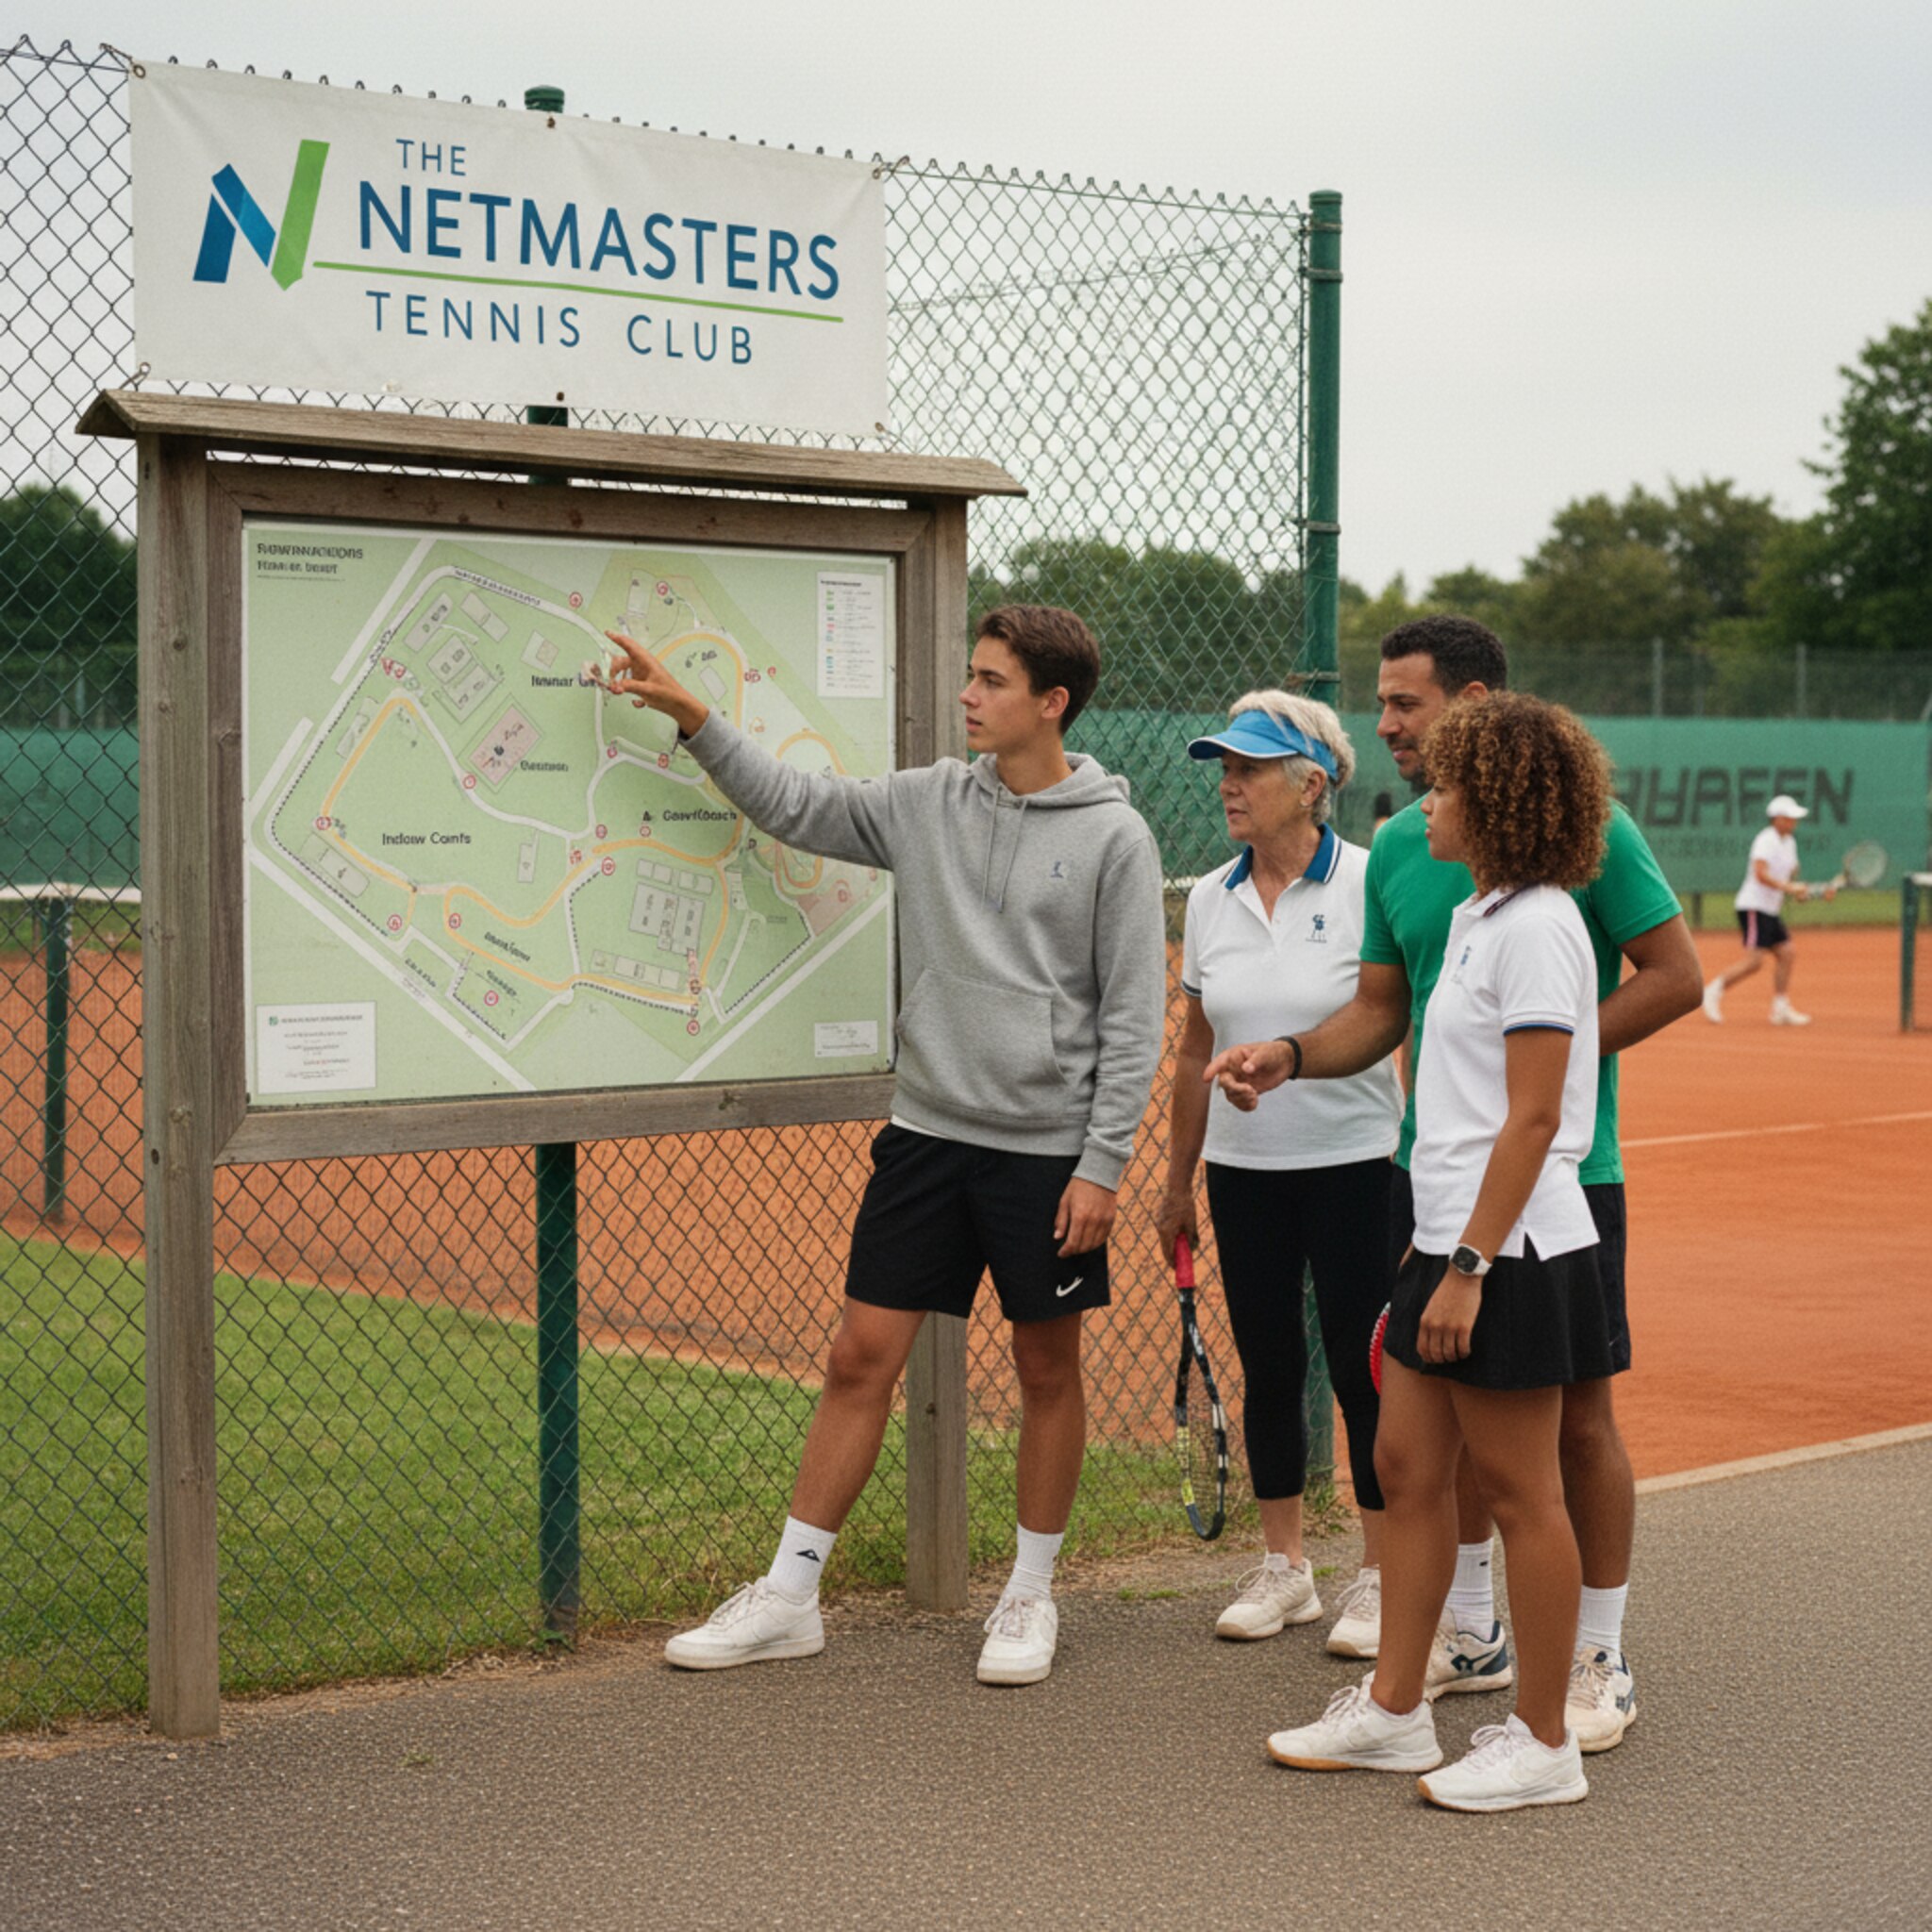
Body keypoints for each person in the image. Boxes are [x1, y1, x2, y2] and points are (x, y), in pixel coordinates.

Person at [598, 605, 1166, 1687]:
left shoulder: (1113, 837)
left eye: (990, 680)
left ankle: (1029, 1593)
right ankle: (790, 1593)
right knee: (860, 1356)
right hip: (926, 1137)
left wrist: (1101, 1166)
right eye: (971, 676)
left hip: (1048, 1154)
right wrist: (695, 719)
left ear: (1050, 702)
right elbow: (794, 804)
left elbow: (1135, 1014)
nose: (967, 695)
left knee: (1047, 1366)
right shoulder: (925, 801)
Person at [1206, 615, 1701, 1756]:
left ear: (1473, 703)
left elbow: (1670, 977)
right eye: (1377, 704)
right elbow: (1383, 1009)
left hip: (1553, 1190)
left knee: (1571, 1430)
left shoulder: (1581, 841)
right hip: (1428, 1184)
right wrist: (1288, 1052)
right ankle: (1464, 1636)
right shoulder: (1410, 854)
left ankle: (1591, 1655)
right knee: (1421, 1440)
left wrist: (1553, 1068)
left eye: (1404, 704)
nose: (1383, 727)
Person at [1263, 692, 1615, 1810]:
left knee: (1521, 1495)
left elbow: (1531, 1118)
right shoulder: (1473, 915)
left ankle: (1543, 1737)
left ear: (1502, 801)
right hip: (1440, 1234)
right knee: (1407, 1469)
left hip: (1507, 1249)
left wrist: (1468, 1264)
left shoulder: (1542, 925)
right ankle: (1395, 1709)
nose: (1427, 804)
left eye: (1448, 786)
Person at [1156, 692, 1400, 1655]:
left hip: (1357, 1167)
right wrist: (1177, 1178)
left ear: (1311, 785)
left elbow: (1397, 1024)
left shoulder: (1372, 885)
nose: (1228, 785)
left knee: (1362, 1368)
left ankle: (1381, 1574)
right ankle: (1285, 1567)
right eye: (1222, 766)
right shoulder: (1210, 897)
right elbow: (1191, 1052)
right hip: (1243, 1171)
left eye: (1249, 768)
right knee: (1267, 1362)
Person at [1702, 794, 1832, 1025]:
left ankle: (1780, 1008)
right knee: (1754, 961)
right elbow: (1760, 874)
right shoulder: (1766, 840)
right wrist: (1790, 888)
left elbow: (1793, 883)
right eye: (1790, 817)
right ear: (1778, 819)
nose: (1794, 822)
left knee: (1787, 953)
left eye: (1795, 818)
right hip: (1753, 906)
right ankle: (1712, 990)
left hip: (1770, 910)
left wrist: (1816, 892)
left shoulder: (1790, 843)